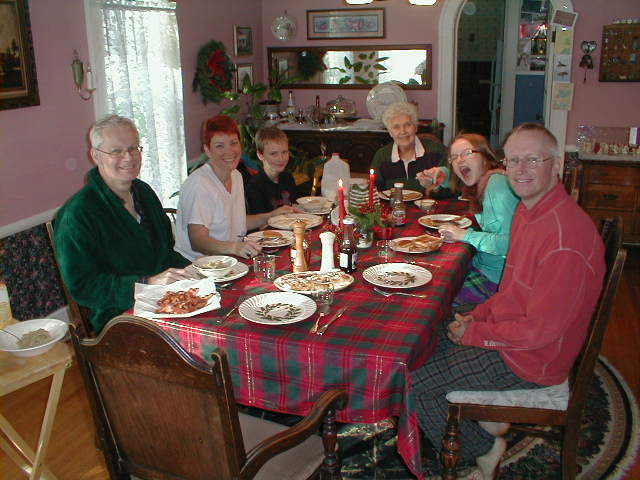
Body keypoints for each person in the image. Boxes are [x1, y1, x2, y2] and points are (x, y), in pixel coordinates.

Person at [410, 123, 606, 480]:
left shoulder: (565, 238)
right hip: (514, 335)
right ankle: (484, 419)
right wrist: (477, 316)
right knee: (420, 337)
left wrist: (474, 333)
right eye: (514, 160)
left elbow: (539, 332)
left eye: (533, 160)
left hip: (531, 359)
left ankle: (484, 450)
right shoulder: (531, 213)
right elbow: (511, 290)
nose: (520, 170)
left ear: (556, 164)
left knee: (410, 380)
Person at [54, 115, 193, 334]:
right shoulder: (78, 214)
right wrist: (147, 283)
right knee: (206, 345)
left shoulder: (144, 192)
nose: (128, 157)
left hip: (167, 301)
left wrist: (196, 271)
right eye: (116, 151)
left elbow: (166, 253)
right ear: (95, 156)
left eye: (133, 148)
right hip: (119, 319)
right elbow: (84, 286)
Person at [175, 115, 298, 261]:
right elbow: (198, 240)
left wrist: (272, 215)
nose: (229, 151)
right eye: (220, 145)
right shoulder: (199, 184)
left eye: (233, 143)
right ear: (207, 150)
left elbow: (237, 222)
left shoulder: (236, 175)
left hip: (229, 260)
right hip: (197, 266)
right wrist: (234, 247)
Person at [417, 133, 520, 306]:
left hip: (498, 279)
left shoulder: (497, 187)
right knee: (436, 276)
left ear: (485, 156)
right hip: (482, 266)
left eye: (467, 153)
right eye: (454, 157)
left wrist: (464, 235)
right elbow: (455, 178)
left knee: (434, 300)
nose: (460, 160)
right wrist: (441, 174)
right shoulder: (483, 182)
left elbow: (511, 244)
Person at [370, 102, 447, 193]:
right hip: (392, 202)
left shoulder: (436, 151)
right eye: (396, 127)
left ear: (415, 127)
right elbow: (375, 192)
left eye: (407, 125)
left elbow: (450, 191)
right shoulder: (381, 156)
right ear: (390, 132)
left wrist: (432, 187)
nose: (403, 131)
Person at [246, 127, 300, 214]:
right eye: (274, 154)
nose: (281, 159)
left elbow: (295, 206)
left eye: (284, 152)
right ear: (260, 155)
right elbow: (259, 220)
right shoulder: (255, 186)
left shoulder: (288, 178)